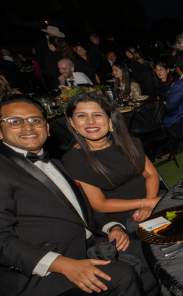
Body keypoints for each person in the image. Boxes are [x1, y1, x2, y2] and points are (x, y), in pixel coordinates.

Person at [0, 93, 149, 296]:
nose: (28, 127)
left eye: (35, 120)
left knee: (150, 250)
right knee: (121, 275)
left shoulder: (56, 163)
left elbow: (81, 210)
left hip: (84, 248)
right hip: (38, 278)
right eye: (15, 121)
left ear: (47, 128)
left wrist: (112, 227)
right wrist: (64, 265)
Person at [61, 92, 161, 233]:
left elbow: (151, 174)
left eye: (97, 114)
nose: (90, 121)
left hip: (152, 199)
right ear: (72, 122)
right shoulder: (74, 160)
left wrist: (149, 205)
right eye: (81, 116)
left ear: (109, 120)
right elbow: (100, 205)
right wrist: (146, 203)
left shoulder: (128, 141)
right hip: (125, 215)